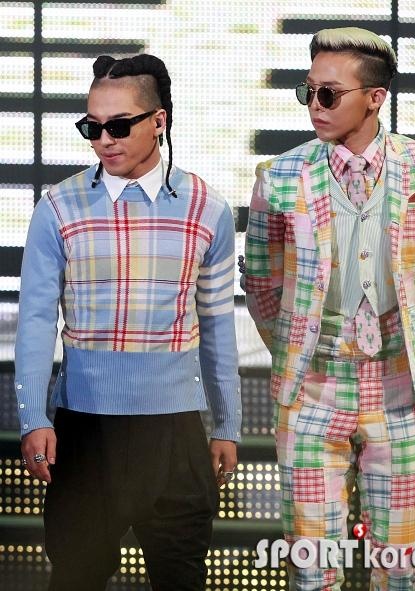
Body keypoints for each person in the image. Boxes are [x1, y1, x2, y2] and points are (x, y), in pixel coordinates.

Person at [15, 53, 242, 591]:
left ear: (159, 120)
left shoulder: (207, 208)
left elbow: (217, 324)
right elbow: (36, 319)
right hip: (85, 430)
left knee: (181, 580)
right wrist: (32, 418)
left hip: (177, 432)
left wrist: (228, 425)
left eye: (118, 126)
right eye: (91, 128)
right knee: (76, 578)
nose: (103, 141)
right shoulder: (59, 207)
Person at [243, 27, 415, 591]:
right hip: (311, 390)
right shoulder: (278, 176)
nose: (315, 105)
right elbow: (261, 281)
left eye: (329, 94)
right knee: (312, 569)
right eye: (308, 91)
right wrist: (298, 346)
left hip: (399, 389)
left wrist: (402, 333)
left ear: (375, 97)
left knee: (401, 568)